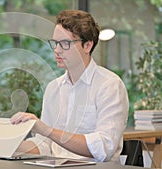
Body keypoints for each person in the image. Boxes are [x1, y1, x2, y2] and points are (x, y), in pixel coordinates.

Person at [11, 9, 129, 162]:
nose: (57, 50)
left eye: (65, 43)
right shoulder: (54, 88)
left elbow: (103, 147)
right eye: (55, 43)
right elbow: (45, 146)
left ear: (87, 46)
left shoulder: (109, 85)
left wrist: (47, 130)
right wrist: (11, 143)